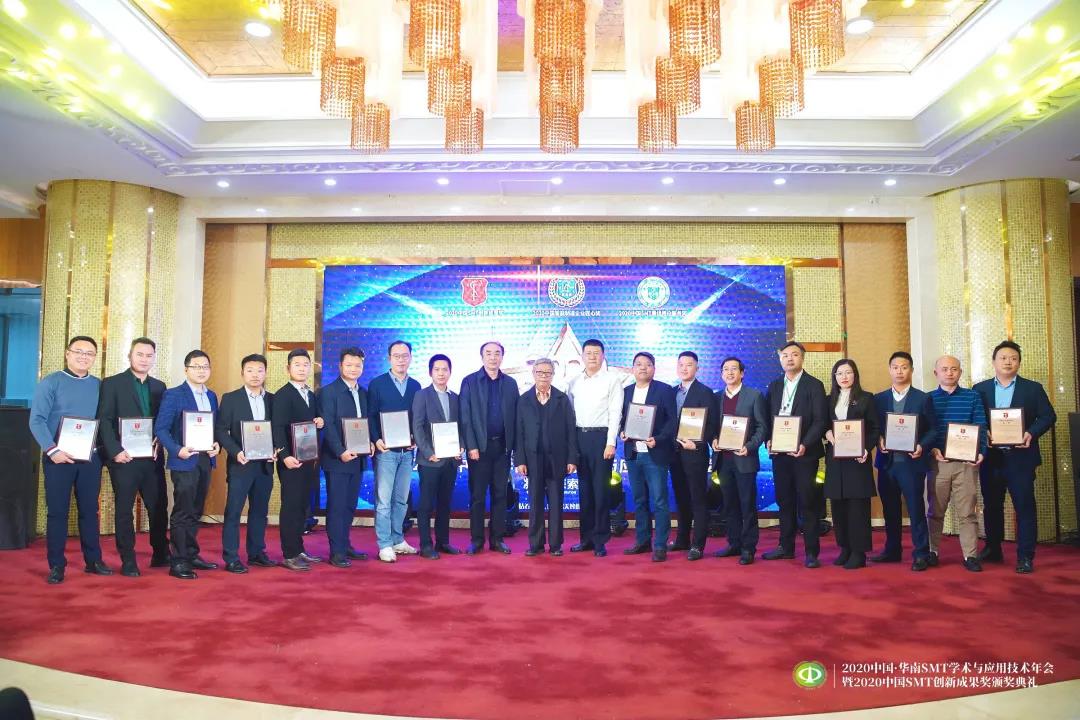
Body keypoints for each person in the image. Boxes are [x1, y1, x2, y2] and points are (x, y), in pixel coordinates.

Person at [30, 335, 111, 584]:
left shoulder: (99, 385)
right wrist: (52, 450)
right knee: (57, 512)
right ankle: (57, 565)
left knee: (90, 511)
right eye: (79, 351)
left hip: (89, 459)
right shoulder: (51, 382)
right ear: (67, 354)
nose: (83, 357)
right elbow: (37, 420)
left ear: (95, 358)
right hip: (58, 458)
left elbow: (105, 421)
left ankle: (93, 560)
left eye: (89, 353)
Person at [973, 340, 1057, 574]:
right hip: (992, 458)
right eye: (1003, 358)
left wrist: (1031, 432)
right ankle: (993, 548)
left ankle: (1025, 556)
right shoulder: (980, 389)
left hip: (1021, 458)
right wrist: (983, 432)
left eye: (1013, 358)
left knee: (1025, 506)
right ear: (993, 362)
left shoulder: (1033, 388)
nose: (1008, 362)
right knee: (992, 505)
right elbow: (974, 418)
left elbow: (1048, 416)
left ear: (1019, 362)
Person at [95, 336, 169, 576]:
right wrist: (115, 451)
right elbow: (104, 419)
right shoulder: (112, 383)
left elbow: (163, 422)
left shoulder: (160, 386)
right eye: (140, 354)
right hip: (124, 458)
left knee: (158, 506)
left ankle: (161, 553)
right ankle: (128, 559)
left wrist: (161, 440)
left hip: (152, 458)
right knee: (124, 509)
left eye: (149, 355)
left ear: (154, 358)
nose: (144, 359)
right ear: (130, 356)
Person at [154, 349, 220, 580]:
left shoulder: (212, 396)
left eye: (205, 367)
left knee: (196, 509)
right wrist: (176, 450)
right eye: (196, 366)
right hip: (184, 459)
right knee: (183, 511)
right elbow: (161, 429)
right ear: (186, 369)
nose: (201, 371)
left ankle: (191, 554)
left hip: (205, 459)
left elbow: (214, 428)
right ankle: (179, 561)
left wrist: (217, 445)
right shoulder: (174, 394)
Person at [763, 341, 828, 568]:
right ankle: (786, 546)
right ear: (780, 359)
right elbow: (766, 418)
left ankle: (811, 552)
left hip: (804, 454)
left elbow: (820, 420)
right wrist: (768, 440)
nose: (789, 359)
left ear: (802, 358)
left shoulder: (814, 385)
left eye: (794, 355)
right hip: (780, 454)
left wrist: (805, 444)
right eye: (785, 355)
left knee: (808, 502)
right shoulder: (774, 386)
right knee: (784, 500)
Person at [872, 351, 937, 571]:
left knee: (916, 509)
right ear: (889, 370)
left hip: (911, 464)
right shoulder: (879, 399)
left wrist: (922, 446)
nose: (899, 371)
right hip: (887, 464)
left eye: (904, 367)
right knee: (890, 510)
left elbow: (933, 430)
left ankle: (921, 553)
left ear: (911, 370)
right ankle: (892, 550)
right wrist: (879, 439)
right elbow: (875, 428)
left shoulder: (923, 398)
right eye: (895, 367)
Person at [214, 353, 276, 574]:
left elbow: (277, 430)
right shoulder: (231, 399)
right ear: (242, 373)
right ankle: (231, 557)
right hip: (241, 464)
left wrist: (276, 450)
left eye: (260, 370)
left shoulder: (273, 399)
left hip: (265, 465)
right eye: (250, 370)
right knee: (233, 511)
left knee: (259, 511)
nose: (255, 375)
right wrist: (236, 452)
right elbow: (221, 430)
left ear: (265, 373)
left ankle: (256, 552)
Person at [927, 355, 987, 572]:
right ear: (936, 373)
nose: (949, 372)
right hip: (938, 462)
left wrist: (981, 451)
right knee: (935, 511)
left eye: (954, 369)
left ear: (960, 372)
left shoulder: (972, 397)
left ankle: (970, 555)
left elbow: (980, 424)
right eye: (944, 369)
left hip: (966, 464)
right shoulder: (928, 399)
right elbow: (926, 430)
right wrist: (932, 449)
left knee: (967, 512)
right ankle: (932, 551)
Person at [460, 341, 519, 555]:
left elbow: (516, 417)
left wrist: (514, 448)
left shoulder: (510, 383)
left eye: (497, 353)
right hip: (479, 450)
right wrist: (471, 446)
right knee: (477, 496)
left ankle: (497, 539)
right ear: (482, 356)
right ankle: (476, 540)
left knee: (500, 494)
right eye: (488, 353)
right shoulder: (470, 381)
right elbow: (465, 417)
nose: (493, 357)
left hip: (502, 448)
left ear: (502, 357)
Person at [515, 358, 578, 557]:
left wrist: (572, 458)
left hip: (557, 458)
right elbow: (519, 432)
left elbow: (570, 430)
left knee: (556, 502)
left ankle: (556, 544)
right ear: (533, 374)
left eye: (547, 373)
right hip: (532, 459)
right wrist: (520, 460)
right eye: (540, 372)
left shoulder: (562, 399)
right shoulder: (524, 400)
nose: (543, 376)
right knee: (535, 502)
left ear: (553, 375)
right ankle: (536, 544)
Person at [566, 338, 623, 557]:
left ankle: (600, 540)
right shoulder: (574, 382)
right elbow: (570, 415)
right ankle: (586, 539)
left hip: (601, 439)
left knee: (600, 491)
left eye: (596, 353)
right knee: (585, 492)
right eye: (588, 353)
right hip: (580, 438)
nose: (592, 357)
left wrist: (611, 442)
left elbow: (615, 412)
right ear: (582, 356)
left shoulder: (612, 380)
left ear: (603, 355)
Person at [367, 340, 422, 563]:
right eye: (396, 355)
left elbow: (418, 418)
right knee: (383, 500)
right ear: (389, 358)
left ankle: (398, 539)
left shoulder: (416, 386)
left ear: (410, 358)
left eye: (405, 355)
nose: (401, 359)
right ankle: (384, 543)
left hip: (407, 452)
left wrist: (416, 438)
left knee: (401, 500)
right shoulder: (377, 384)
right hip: (386, 452)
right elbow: (371, 415)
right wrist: (376, 439)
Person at [317, 346, 372, 568]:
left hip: (358, 458)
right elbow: (328, 425)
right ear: (340, 366)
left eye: (358, 365)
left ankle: (345, 544)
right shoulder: (328, 392)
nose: (353, 369)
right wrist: (340, 451)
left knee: (350, 505)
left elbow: (366, 422)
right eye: (349, 365)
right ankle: (336, 551)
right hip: (337, 459)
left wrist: (370, 442)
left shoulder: (364, 393)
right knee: (337, 506)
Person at [823, 359, 880, 570]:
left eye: (848, 372)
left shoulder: (866, 398)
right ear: (834, 377)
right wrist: (827, 433)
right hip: (836, 459)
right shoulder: (828, 400)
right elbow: (822, 424)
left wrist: (866, 448)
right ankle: (845, 548)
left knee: (857, 507)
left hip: (857, 459)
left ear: (855, 375)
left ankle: (859, 552)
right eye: (839, 373)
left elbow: (874, 428)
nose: (844, 377)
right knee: (838, 506)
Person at [621, 352, 678, 562]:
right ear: (632, 368)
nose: (643, 368)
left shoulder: (664, 390)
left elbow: (672, 421)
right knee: (639, 500)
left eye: (647, 364)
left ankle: (660, 545)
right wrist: (622, 431)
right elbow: (621, 418)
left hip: (655, 452)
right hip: (633, 453)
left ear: (654, 368)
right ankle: (642, 540)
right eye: (638, 364)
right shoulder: (626, 391)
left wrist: (659, 439)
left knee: (659, 500)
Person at [711, 356, 768, 565]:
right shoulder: (716, 397)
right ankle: (733, 543)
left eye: (734, 369)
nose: (729, 372)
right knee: (730, 504)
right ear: (721, 374)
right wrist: (713, 439)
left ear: (742, 373)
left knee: (747, 505)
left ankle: (748, 548)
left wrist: (750, 446)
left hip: (745, 459)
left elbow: (762, 427)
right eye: (725, 369)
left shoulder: (754, 396)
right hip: (723, 460)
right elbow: (711, 427)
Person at [271, 349, 324, 571]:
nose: (302, 368)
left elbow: (311, 422)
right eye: (297, 364)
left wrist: (319, 421)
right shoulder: (283, 395)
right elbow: (277, 427)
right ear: (288, 368)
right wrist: (284, 455)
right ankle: (289, 554)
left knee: (302, 505)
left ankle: (299, 548)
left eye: (305, 365)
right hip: (291, 461)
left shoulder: (310, 394)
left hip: (308, 459)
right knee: (291, 506)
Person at [411, 354, 464, 559]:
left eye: (445, 369)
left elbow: (460, 426)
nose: (441, 373)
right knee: (426, 505)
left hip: (450, 460)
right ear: (430, 372)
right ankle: (426, 545)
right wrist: (428, 452)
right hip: (430, 461)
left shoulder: (455, 397)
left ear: (450, 372)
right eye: (437, 369)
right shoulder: (422, 395)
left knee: (445, 503)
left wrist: (461, 446)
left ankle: (443, 542)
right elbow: (417, 426)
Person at [667, 351, 717, 561]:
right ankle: (682, 539)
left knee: (698, 498)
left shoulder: (705, 392)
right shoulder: (671, 392)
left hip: (695, 452)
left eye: (689, 364)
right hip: (674, 452)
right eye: (681, 364)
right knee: (681, 498)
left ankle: (698, 544)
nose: (684, 368)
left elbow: (712, 424)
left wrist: (697, 442)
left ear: (697, 368)